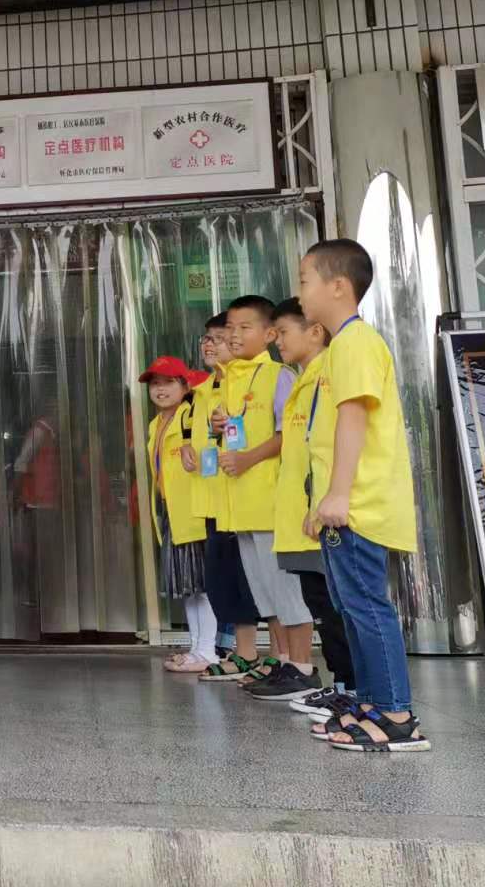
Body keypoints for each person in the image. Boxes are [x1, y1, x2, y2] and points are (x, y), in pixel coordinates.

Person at [299, 240, 430, 752]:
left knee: (367, 607)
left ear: (338, 286)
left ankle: (396, 715)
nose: (300, 292)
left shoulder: (354, 342)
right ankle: (372, 703)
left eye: (305, 280)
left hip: (358, 503)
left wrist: (337, 495)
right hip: (346, 502)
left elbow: (352, 418)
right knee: (351, 607)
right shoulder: (344, 346)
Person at [251, 298, 357, 712]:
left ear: (314, 332)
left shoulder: (328, 377)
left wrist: (325, 501)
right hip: (302, 517)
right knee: (321, 606)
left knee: (336, 608)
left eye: (283, 332)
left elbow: (331, 449)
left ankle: (354, 691)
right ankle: (342, 685)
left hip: (324, 516)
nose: (276, 340)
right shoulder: (303, 380)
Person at [213, 295, 316, 694]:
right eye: (230, 328)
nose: (234, 335)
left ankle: (302, 667)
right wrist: (222, 426)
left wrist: (247, 458)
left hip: (270, 500)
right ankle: (282, 660)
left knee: (284, 588)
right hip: (241, 504)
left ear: (269, 333)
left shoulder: (278, 375)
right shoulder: (230, 378)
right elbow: (238, 432)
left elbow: (287, 433)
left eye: (245, 327)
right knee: (264, 591)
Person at [187, 313, 264, 681]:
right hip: (213, 498)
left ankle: (263, 654)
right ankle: (242, 653)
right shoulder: (202, 390)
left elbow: (247, 437)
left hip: (241, 498)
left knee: (248, 578)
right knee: (222, 580)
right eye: (206, 338)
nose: (210, 344)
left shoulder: (245, 387)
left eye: (218, 338)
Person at [142, 357, 218, 674]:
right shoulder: (156, 424)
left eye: (168, 382)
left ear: (185, 386)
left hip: (194, 511)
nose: (160, 390)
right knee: (187, 586)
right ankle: (196, 647)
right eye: (155, 384)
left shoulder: (193, 415)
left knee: (202, 585)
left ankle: (208, 650)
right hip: (172, 511)